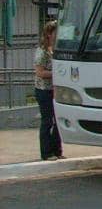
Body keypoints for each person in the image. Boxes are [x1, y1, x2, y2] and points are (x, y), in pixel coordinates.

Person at [34, 20, 63, 161]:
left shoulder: (56, 49)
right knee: (47, 121)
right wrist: (56, 74)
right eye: (55, 33)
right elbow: (40, 72)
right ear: (49, 34)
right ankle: (46, 153)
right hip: (43, 90)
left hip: (55, 89)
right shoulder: (42, 51)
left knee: (58, 120)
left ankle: (57, 150)